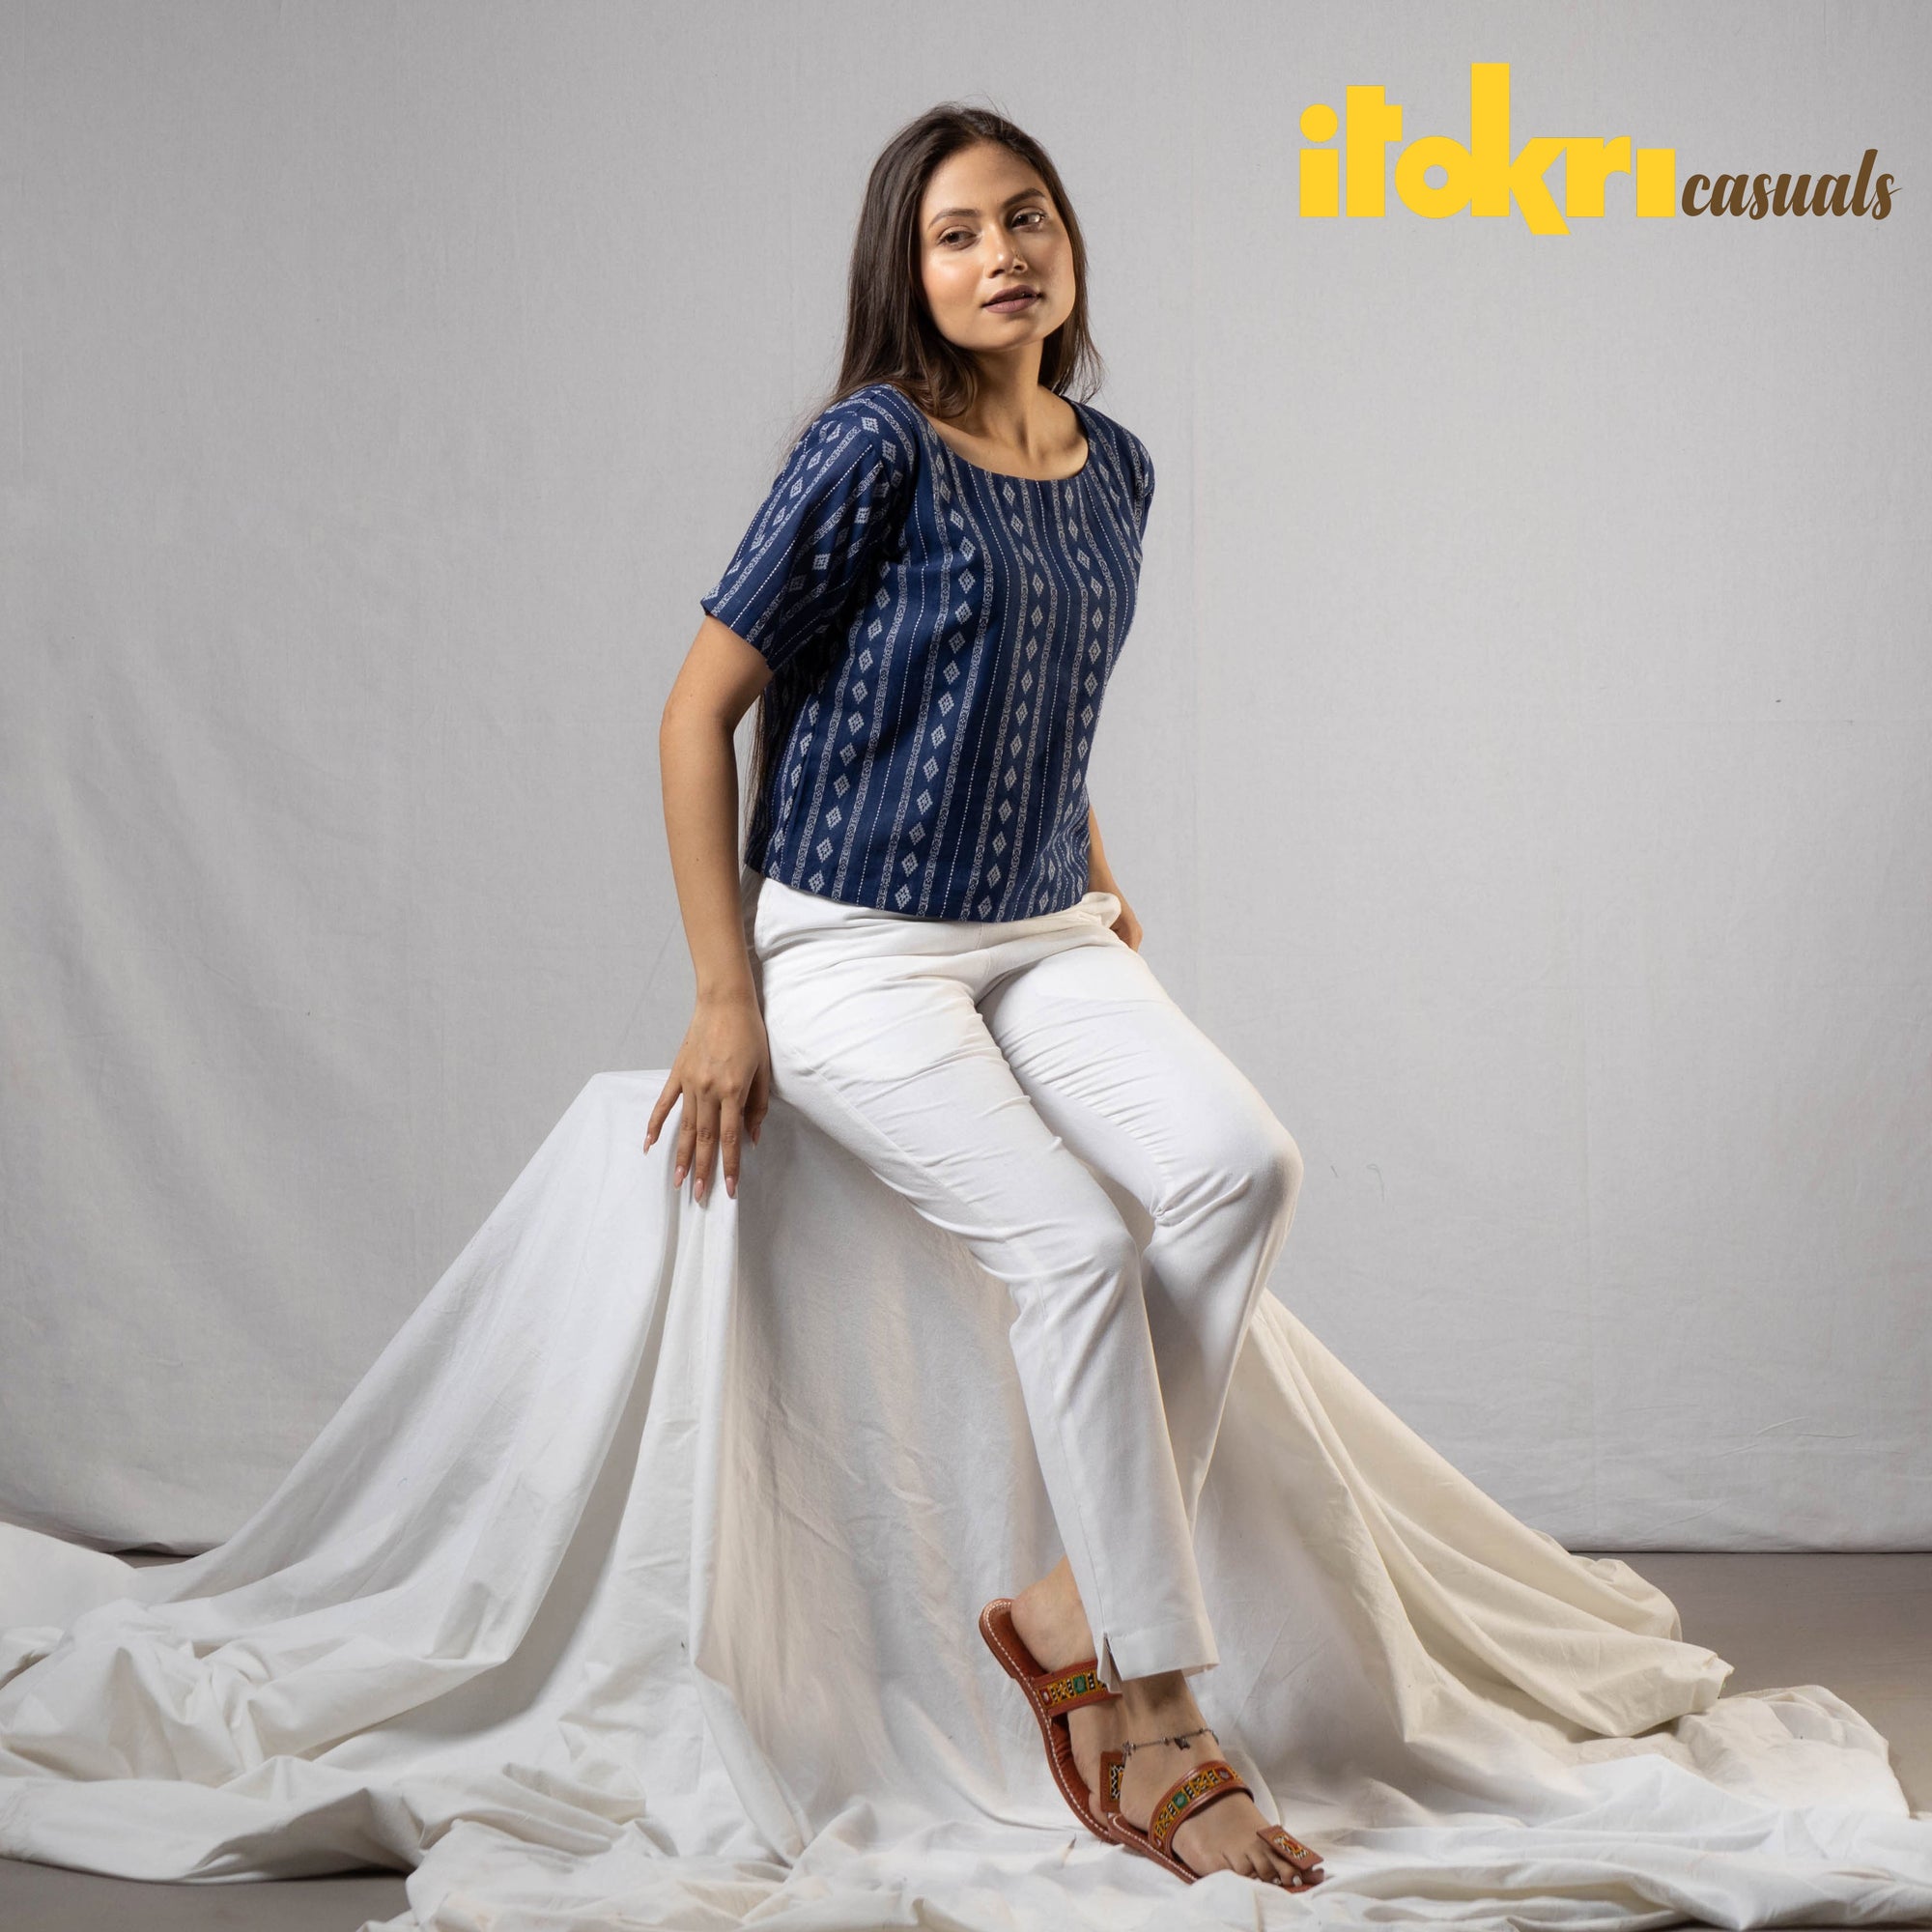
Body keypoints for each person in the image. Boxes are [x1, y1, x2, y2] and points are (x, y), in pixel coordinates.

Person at [651, 101, 1325, 1892]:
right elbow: (696, 712)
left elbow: (1046, 700)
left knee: (1242, 1168)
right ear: (910, 270)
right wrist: (726, 990)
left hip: (1042, 929)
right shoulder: (872, 445)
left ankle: (1064, 1607)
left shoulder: (1119, 470)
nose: (1001, 254)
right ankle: (1151, 1712)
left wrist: (1097, 877)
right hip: (851, 942)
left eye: (1027, 218)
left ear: (1070, 244)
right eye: (956, 233)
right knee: (1078, 1248)